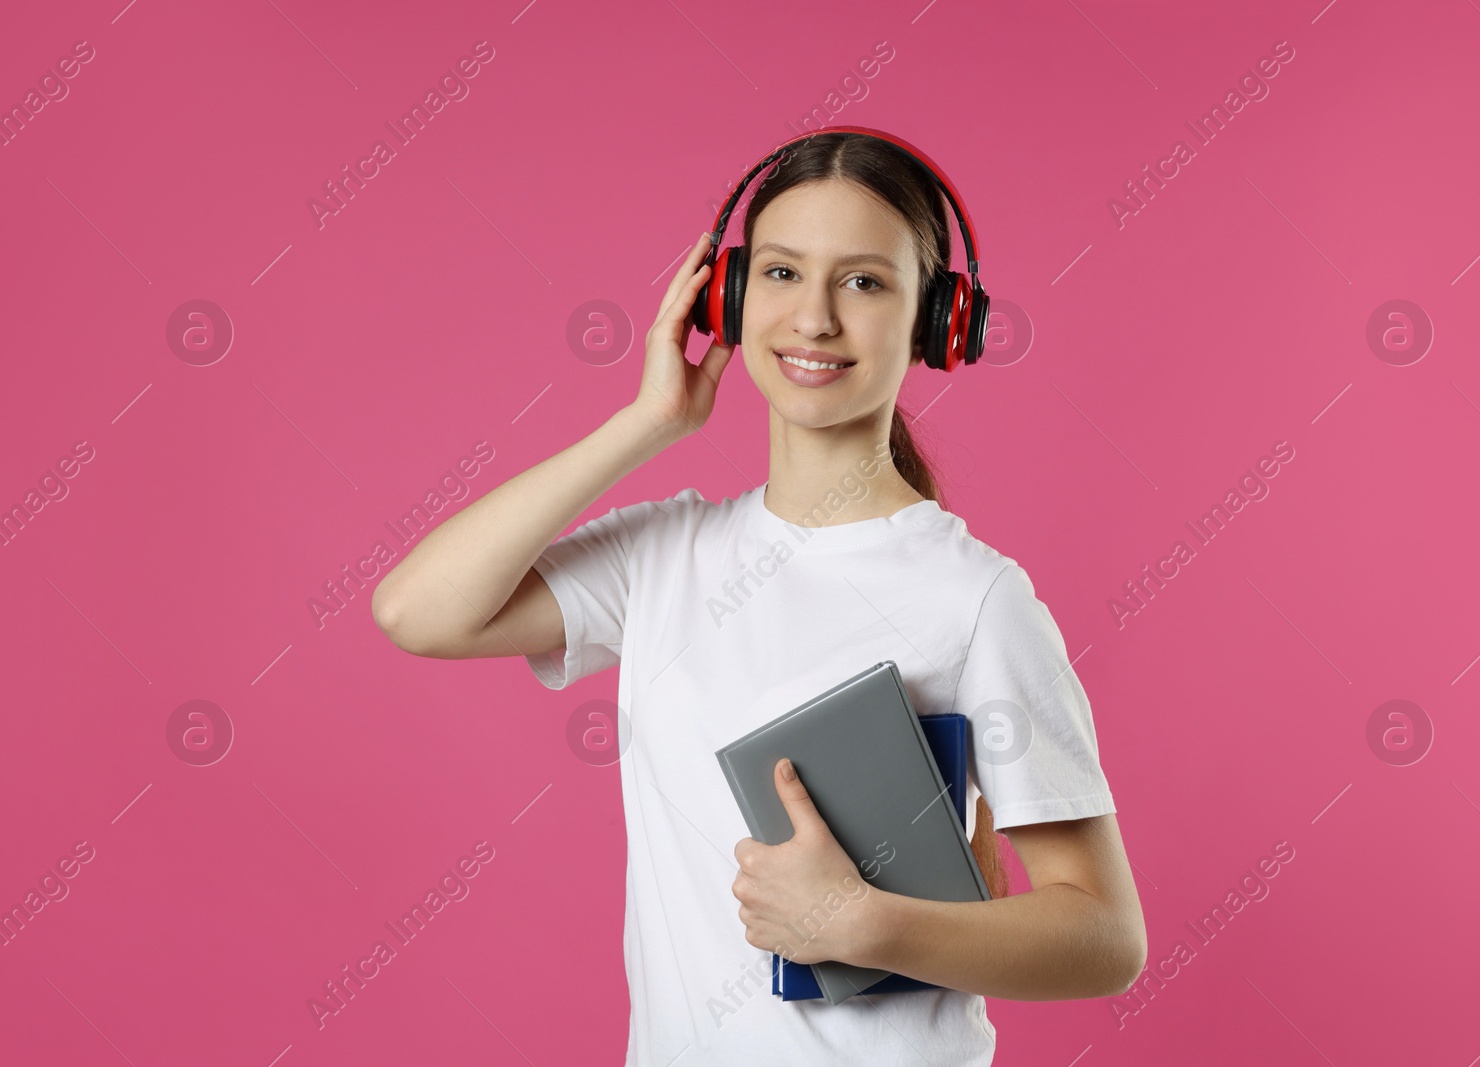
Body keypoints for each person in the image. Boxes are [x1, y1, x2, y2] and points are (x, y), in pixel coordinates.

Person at [372, 130, 1146, 1066]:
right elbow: (417, 610)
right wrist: (648, 423)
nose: (813, 318)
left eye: (864, 283)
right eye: (779, 274)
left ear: (938, 323)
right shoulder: (666, 554)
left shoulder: (977, 596)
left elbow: (1104, 936)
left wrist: (862, 923)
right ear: (726, 300)